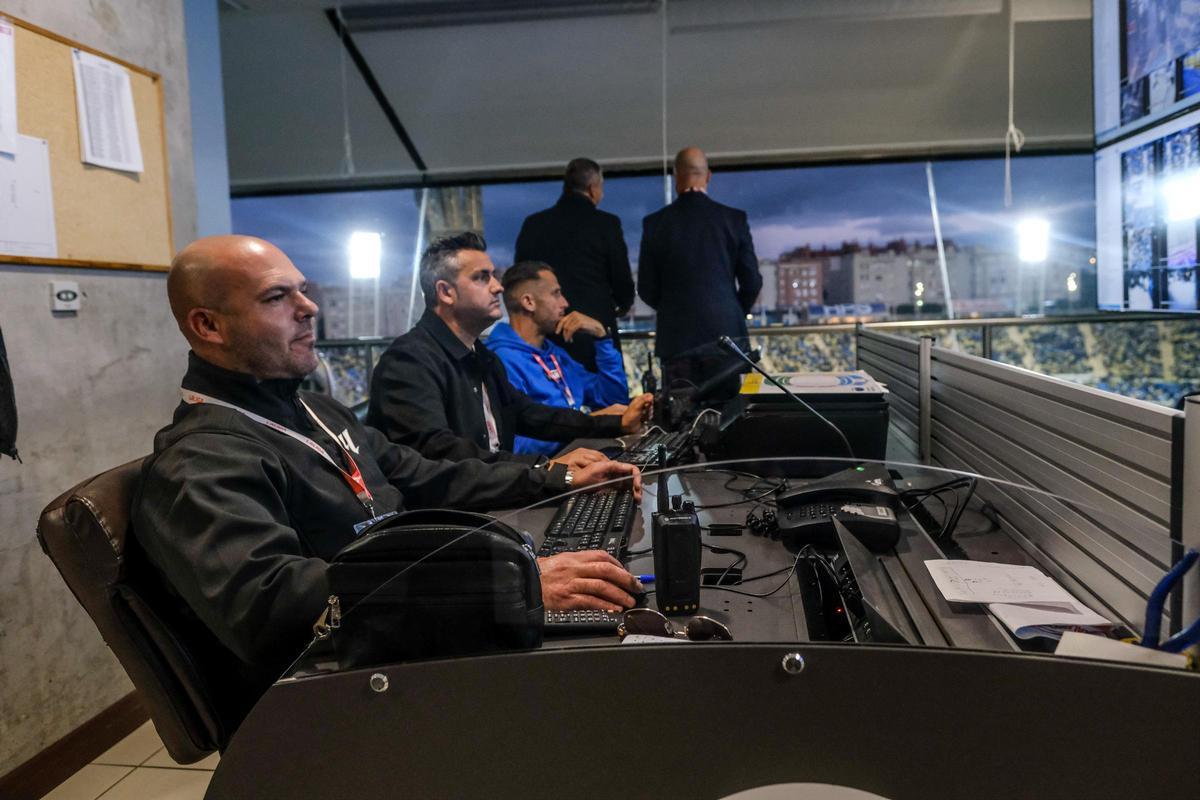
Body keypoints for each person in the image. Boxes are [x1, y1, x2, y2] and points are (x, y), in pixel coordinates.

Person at [134, 235, 644, 693]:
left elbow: (426, 473)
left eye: (303, 290)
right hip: (349, 691)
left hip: (411, 638)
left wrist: (556, 476)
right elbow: (275, 606)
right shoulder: (201, 459)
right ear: (208, 325)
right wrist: (508, 585)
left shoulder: (317, 411)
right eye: (276, 297)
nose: (308, 307)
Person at [366, 233, 652, 465]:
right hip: (449, 525)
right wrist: (546, 470)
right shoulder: (408, 361)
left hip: (491, 500)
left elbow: (530, 415)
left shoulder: (481, 357)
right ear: (445, 292)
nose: (498, 287)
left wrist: (616, 423)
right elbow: (441, 457)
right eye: (482, 277)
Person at [638, 147, 763, 399]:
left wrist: (673, 308)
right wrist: (733, 309)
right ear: (708, 176)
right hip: (726, 338)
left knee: (681, 420)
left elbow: (646, 288)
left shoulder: (655, 223)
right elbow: (752, 282)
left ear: (676, 178)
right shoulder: (734, 219)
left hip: (677, 340)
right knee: (730, 419)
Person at [490, 261, 644, 457]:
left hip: (583, 456)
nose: (565, 303)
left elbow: (612, 400)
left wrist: (601, 338)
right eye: (556, 294)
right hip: (549, 477)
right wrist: (586, 423)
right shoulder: (501, 360)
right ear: (529, 302)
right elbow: (514, 446)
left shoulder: (555, 354)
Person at [514, 158, 635, 373]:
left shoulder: (533, 225)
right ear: (592, 189)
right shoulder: (606, 224)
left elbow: (519, 278)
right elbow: (622, 282)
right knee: (608, 400)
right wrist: (621, 306)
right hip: (593, 335)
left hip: (546, 337)